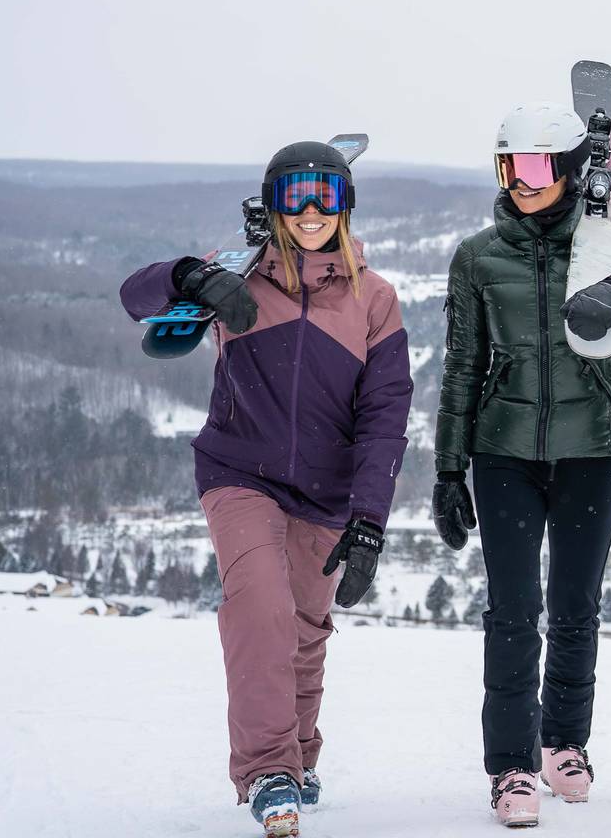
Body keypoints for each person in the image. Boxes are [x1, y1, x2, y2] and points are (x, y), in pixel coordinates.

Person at [119, 141, 412, 838]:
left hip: (327, 492)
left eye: (326, 197)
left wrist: (369, 517)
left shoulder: (375, 299)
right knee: (262, 611)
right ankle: (268, 770)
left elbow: (385, 417)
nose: (311, 212)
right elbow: (137, 297)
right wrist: (189, 276)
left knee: (307, 632)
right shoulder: (239, 275)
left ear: (346, 206)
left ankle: (299, 759)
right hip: (238, 474)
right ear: (272, 205)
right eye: (294, 197)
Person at [432, 102, 611, 828]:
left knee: (574, 609)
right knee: (512, 613)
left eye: (536, 166)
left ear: (568, 169)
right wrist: (448, 469)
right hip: (504, 454)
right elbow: (462, 362)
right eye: (510, 167)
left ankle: (564, 742)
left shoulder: (606, 238)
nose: (521, 181)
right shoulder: (478, 255)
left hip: (593, 450)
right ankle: (510, 767)